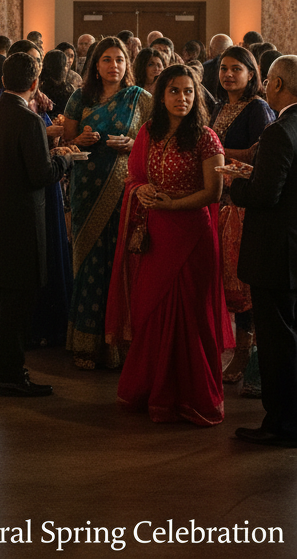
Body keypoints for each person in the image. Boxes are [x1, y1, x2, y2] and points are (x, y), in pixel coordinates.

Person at [106, 65, 228, 425]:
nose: (182, 98)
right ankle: (153, 391)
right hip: (156, 235)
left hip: (192, 236)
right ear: (161, 96)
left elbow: (213, 192)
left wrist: (173, 204)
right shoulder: (148, 132)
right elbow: (134, 177)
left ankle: (192, 398)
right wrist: (140, 190)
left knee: (191, 316)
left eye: (189, 92)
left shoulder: (206, 138)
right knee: (152, 311)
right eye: (174, 91)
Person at [0, 52, 74, 396]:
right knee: (17, 304)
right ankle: (12, 374)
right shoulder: (30, 121)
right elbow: (40, 174)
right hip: (22, 225)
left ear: (2, 81)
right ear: (34, 84)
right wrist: (64, 161)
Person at [62, 36, 152, 369]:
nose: (113, 66)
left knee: (120, 263)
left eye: (119, 60)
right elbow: (67, 143)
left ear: (127, 65)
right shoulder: (79, 97)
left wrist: (132, 144)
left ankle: (120, 345)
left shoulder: (140, 99)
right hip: (86, 189)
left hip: (124, 191)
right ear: (95, 66)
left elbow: (156, 140)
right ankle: (86, 344)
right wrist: (79, 139)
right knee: (88, 263)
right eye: (106, 60)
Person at [223, 56, 297, 447]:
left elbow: (266, 195)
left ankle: (281, 422)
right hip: (292, 249)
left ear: (280, 85)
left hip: (275, 254)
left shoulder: (279, 131)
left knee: (277, 343)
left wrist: (234, 186)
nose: (266, 86)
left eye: (270, 80)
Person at [212, 46, 275, 385]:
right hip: (219, 200)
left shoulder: (258, 109)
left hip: (244, 204)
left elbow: (258, 154)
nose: (228, 75)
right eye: (223, 68)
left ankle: (246, 355)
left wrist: (215, 153)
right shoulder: (221, 106)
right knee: (225, 278)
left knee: (244, 281)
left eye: (237, 68)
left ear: (252, 74)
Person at [39, 50, 75, 118]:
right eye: (66, 65)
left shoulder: (40, 86)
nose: (67, 68)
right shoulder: (67, 89)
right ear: (61, 67)